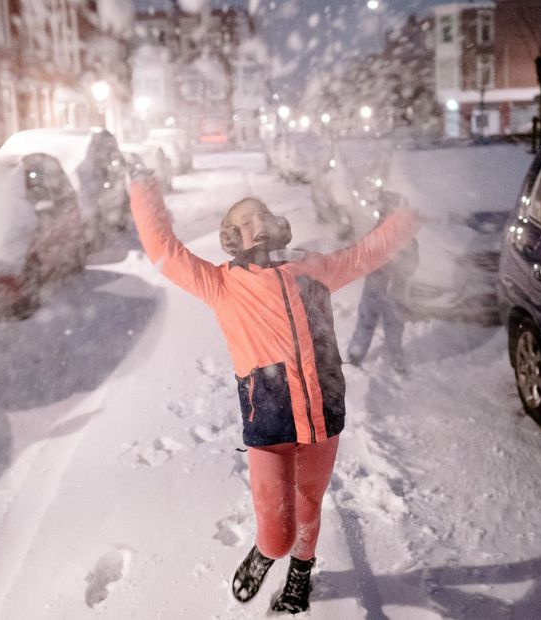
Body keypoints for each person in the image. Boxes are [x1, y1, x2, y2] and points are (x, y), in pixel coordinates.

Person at [127, 167, 419, 613]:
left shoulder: (313, 269)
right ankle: (266, 552)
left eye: (261, 214)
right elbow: (163, 250)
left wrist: (410, 214)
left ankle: (300, 577)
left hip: (324, 415)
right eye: (244, 221)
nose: (256, 222)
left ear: (278, 224)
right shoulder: (223, 284)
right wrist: (144, 190)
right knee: (279, 531)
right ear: (231, 238)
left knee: (309, 506)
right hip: (269, 420)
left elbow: (368, 252)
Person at [346, 197, 419, 374]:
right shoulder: (382, 234)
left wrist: (397, 268)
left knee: (390, 324)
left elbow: (411, 265)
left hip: (391, 290)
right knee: (368, 321)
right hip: (378, 287)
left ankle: (394, 358)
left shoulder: (405, 239)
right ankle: (358, 354)